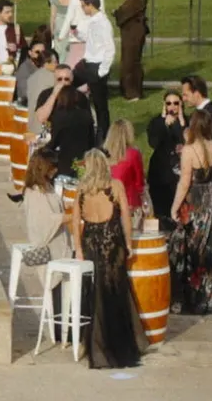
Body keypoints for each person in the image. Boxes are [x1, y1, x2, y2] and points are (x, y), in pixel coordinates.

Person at [70, 147, 143, 369]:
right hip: (113, 243)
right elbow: (125, 218)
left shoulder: (81, 190)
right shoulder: (116, 186)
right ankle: (118, 344)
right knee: (116, 292)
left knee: (95, 294)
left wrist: (79, 249)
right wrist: (129, 243)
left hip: (91, 242)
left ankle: (94, 343)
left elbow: (75, 223)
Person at [169, 107, 212, 315]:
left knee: (188, 248)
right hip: (210, 198)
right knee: (207, 248)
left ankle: (186, 297)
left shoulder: (190, 150)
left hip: (194, 199)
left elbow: (184, 182)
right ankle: (205, 298)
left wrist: (175, 207)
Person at [20, 149, 74, 321]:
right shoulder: (35, 193)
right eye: (53, 167)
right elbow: (44, 223)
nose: (56, 170)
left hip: (59, 243)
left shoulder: (47, 187)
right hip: (50, 249)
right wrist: (71, 216)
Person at [76, 0, 117, 137]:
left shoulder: (103, 23)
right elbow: (89, 38)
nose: (82, 9)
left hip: (96, 67)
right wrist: (76, 33)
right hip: (86, 64)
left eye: (83, 6)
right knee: (67, 84)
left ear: (90, 5)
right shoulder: (92, 20)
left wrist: (101, 71)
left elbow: (110, 48)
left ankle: (103, 135)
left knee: (100, 105)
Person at [146, 92, 186, 228]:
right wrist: (164, 124)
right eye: (169, 103)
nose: (172, 106)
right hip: (160, 173)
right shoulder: (156, 122)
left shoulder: (188, 122)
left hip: (179, 173)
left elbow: (186, 141)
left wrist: (179, 123)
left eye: (176, 103)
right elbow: (154, 142)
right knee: (160, 212)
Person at [44, 74, 97, 174]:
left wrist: (44, 149)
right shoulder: (86, 115)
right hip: (83, 159)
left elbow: (54, 142)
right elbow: (91, 140)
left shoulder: (60, 117)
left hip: (66, 160)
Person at [180, 75, 212, 192]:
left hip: (205, 177)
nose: (183, 99)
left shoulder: (211, 115)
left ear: (197, 93)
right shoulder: (200, 113)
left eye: (185, 95)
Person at [105, 117, 146, 225]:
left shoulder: (103, 155)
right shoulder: (133, 154)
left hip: (106, 205)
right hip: (130, 205)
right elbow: (139, 183)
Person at [114, 0, 149, 100]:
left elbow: (124, 13)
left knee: (131, 62)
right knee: (127, 60)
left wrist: (117, 13)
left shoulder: (138, 0)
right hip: (129, 32)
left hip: (134, 34)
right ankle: (126, 89)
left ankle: (133, 92)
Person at [16, 43, 58, 137]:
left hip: (31, 126)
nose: (57, 64)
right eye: (54, 62)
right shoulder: (52, 77)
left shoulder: (32, 78)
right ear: (47, 63)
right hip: (45, 127)